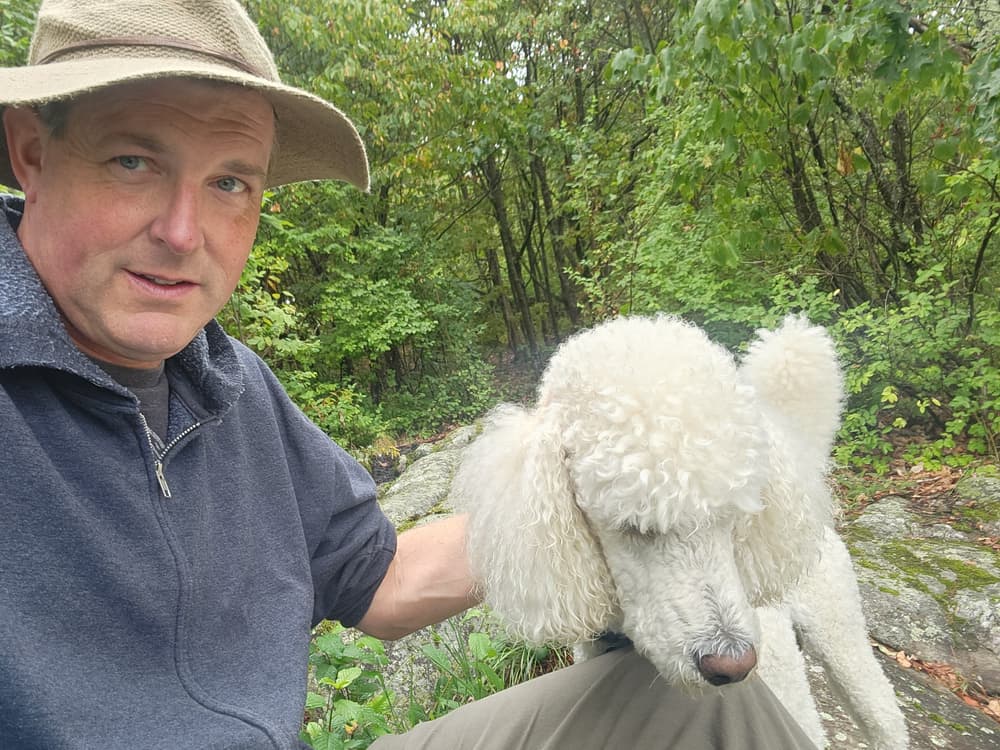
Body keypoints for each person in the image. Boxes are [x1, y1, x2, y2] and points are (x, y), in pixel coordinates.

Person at [0, 1, 817, 748]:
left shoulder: (228, 382)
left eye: (229, 182)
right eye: (134, 161)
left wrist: (588, 488)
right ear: (32, 154)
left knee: (709, 707)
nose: (184, 232)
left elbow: (382, 581)